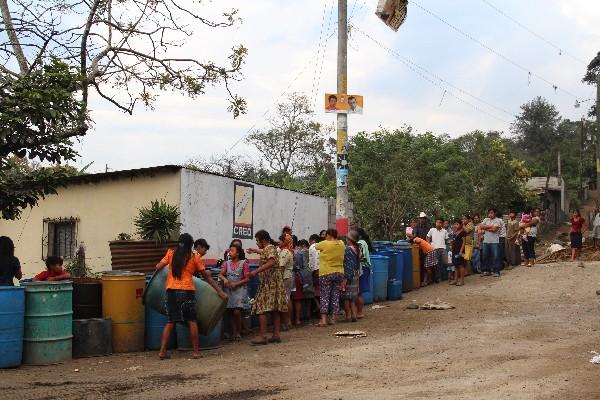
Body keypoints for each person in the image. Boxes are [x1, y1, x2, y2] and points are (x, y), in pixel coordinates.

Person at [156, 234, 226, 359]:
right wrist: (219, 292)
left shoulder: (171, 253)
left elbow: (158, 267)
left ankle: (162, 351)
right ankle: (195, 352)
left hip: (171, 290)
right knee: (192, 321)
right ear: (190, 245)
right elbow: (206, 276)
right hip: (187, 291)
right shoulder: (194, 257)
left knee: (171, 321)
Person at [247, 230, 288, 345]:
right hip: (274, 282)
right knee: (275, 309)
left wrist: (255, 271)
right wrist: (255, 251)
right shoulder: (270, 248)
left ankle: (263, 335)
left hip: (269, 283)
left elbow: (271, 261)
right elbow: (266, 253)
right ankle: (276, 335)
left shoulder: (269, 248)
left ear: (263, 240)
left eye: (257, 240)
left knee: (261, 308)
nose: (256, 243)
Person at [218, 243, 250, 341]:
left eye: (232, 251)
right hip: (229, 290)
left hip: (239, 290)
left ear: (238, 253)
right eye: (229, 250)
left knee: (237, 311)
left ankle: (238, 332)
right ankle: (235, 333)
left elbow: (247, 278)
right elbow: (220, 274)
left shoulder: (243, 263)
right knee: (231, 311)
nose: (229, 252)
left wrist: (237, 284)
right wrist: (225, 280)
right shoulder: (226, 263)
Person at [315, 229, 345, 326]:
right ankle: (333, 319)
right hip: (339, 272)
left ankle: (323, 320)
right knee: (335, 295)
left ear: (328, 235)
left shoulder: (325, 243)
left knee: (324, 295)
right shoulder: (341, 243)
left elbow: (315, 246)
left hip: (326, 272)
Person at [292, 239, 313, 326]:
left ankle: (293, 320)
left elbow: (296, 266)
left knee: (295, 299)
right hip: (304, 276)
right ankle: (298, 319)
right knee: (299, 298)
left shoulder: (295, 253)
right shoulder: (300, 252)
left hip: (295, 276)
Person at [341, 231, 360, 322]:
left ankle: (348, 315)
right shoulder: (357, 248)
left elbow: (347, 264)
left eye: (347, 238)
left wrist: (346, 278)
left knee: (346, 297)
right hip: (355, 274)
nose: (346, 239)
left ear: (350, 239)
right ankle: (354, 315)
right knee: (353, 297)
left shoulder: (348, 249)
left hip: (348, 274)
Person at [480, 208, 503, 277]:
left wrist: (485, 228)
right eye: (489, 212)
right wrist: (490, 226)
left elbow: (494, 230)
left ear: (495, 213)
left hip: (495, 241)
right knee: (485, 256)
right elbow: (481, 226)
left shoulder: (498, 220)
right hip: (486, 241)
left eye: (492, 212)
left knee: (495, 257)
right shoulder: (486, 219)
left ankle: (496, 271)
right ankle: (487, 270)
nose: (490, 214)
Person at [277, 233, 294, 331]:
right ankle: (287, 322)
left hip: (285, 278)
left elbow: (281, 267)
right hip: (286, 277)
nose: (278, 242)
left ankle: (287, 321)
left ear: (284, 242)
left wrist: (277, 279)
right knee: (287, 298)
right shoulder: (282, 250)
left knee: (285, 299)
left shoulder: (286, 252)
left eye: (280, 241)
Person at [425, 218, 448, 285]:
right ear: (435, 223)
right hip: (434, 249)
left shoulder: (445, 231)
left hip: (443, 249)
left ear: (442, 224)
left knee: (445, 263)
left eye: (440, 222)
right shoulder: (432, 230)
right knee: (436, 264)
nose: (439, 224)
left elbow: (446, 240)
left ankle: (446, 277)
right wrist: (429, 244)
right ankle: (437, 278)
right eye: (437, 222)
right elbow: (427, 237)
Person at [356, 228, 372, 319]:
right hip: (365, 267)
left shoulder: (360, 243)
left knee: (359, 292)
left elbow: (360, 256)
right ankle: (359, 311)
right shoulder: (364, 242)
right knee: (359, 291)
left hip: (362, 268)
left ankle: (360, 311)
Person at [415, 212, 432, 285]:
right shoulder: (417, 226)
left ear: (426, 219)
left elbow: (431, 237)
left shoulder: (429, 227)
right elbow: (414, 235)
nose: (422, 220)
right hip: (419, 248)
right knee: (421, 264)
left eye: (423, 218)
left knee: (427, 265)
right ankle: (421, 280)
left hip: (428, 248)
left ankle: (429, 280)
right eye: (421, 218)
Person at [308, 234, 321, 314]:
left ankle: (319, 306)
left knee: (313, 292)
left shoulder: (313, 246)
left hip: (316, 272)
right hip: (323, 270)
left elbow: (314, 261)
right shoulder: (321, 246)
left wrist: (314, 271)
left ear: (312, 240)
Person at [450, 219, 466, 286]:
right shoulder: (454, 232)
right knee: (456, 265)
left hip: (460, 251)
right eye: (455, 224)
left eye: (457, 224)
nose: (455, 225)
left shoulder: (463, 232)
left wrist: (461, 251)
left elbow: (464, 242)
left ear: (461, 225)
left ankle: (462, 281)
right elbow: (453, 241)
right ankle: (455, 280)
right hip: (454, 250)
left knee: (461, 265)